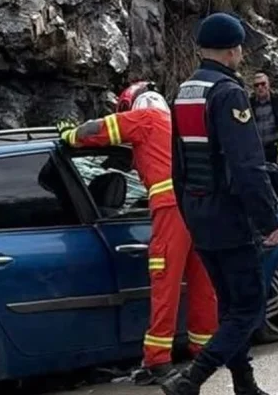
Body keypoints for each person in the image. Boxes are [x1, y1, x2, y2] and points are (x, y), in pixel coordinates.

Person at [55, 81, 218, 386]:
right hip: (199, 207)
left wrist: (70, 134)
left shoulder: (145, 120)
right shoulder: (176, 124)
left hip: (171, 209)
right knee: (202, 279)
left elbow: (97, 130)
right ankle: (205, 349)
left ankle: (157, 360)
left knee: (165, 280)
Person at [162, 12, 278, 395]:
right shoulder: (228, 93)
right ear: (233, 50)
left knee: (230, 308)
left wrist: (188, 213)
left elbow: (177, 164)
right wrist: (268, 221)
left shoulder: (184, 92)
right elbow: (247, 167)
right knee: (248, 308)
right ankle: (190, 380)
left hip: (198, 213)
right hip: (229, 217)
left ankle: (245, 384)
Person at [249, 72, 278, 162]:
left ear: (268, 84)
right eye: (256, 85)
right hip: (257, 150)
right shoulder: (248, 104)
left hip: (277, 148)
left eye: (263, 84)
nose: (260, 87)